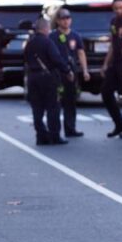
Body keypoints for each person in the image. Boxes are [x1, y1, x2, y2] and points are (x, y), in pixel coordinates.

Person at [24, 17, 72, 146]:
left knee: (37, 108)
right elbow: (56, 59)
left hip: (33, 77)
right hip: (47, 78)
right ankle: (54, 135)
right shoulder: (47, 42)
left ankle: (41, 135)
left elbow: (25, 59)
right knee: (53, 107)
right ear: (45, 29)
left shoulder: (30, 43)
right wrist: (67, 71)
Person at [50, 8, 88, 138]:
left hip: (71, 73)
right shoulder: (53, 36)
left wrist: (85, 70)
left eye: (68, 18)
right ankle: (55, 131)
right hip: (57, 73)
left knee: (70, 102)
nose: (66, 21)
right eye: (62, 19)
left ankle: (70, 128)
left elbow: (81, 53)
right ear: (58, 21)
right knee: (55, 102)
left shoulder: (75, 36)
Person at [100, 0, 122, 138]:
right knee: (106, 92)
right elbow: (113, 45)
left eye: (121, 7)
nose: (119, 10)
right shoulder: (114, 22)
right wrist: (106, 64)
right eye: (116, 8)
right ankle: (120, 124)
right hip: (115, 62)